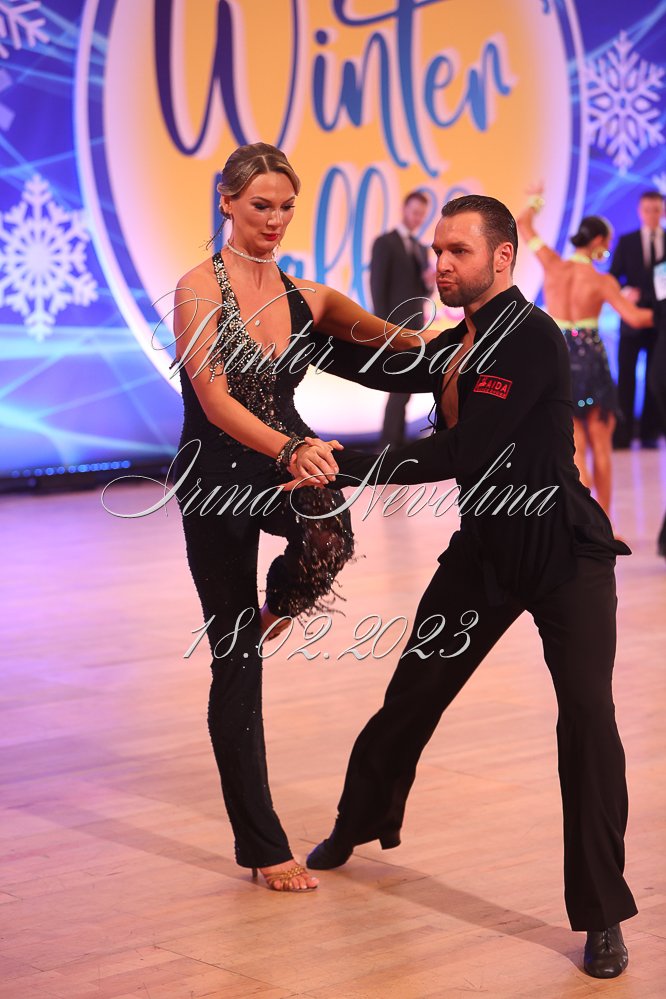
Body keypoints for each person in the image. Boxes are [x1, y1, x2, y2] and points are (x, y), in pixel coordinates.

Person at [304, 195, 637, 977]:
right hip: (485, 551)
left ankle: (602, 914)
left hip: (563, 553)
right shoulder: (463, 342)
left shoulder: (532, 340)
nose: (442, 264)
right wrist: (297, 328)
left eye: (458, 251)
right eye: (438, 251)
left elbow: (463, 453)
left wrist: (340, 464)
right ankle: (357, 820)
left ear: (502, 257)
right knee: (412, 694)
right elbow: (383, 363)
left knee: (588, 722)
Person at [172, 142, 429, 893]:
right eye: (261, 205)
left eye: (286, 206)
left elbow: (397, 341)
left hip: (289, 462)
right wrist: (290, 446)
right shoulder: (197, 289)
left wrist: (460, 334)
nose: (276, 219)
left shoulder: (307, 297)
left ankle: (269, 617)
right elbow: (214, 399)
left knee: (330, 527)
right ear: (227, 202)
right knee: (235, 665)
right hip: (216, 474)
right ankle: (261, 843)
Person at [517, 195, 653, 518]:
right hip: (592, 362)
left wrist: (536, 200)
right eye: (607, 242)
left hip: (559, 360)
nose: (608, 248)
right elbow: (634, 318)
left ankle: (580, 523)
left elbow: (523, 224)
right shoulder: (602, 281)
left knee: (575, 447)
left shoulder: (552, 263)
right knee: (601, 446)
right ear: (597, 242)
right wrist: (658, 312)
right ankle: (603, 526)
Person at [370, 190, 436, 448]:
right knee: (397, 385)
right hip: (393, 327)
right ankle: (389, 443)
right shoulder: (385, 243)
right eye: (415, 211)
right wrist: (382, 329)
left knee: (405, 385)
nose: (417, 218)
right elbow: (377, 287)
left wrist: (429, 284)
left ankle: (394, 441)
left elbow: (422, 293)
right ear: (404, 209)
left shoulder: (421, 248)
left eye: (422, 214)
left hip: (415, 328)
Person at [610, 190, 666, 449]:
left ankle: (649, 434)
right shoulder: (627, 241)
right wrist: (625, 292)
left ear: (662, 211)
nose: (652, 214)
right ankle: (622, 435)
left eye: (657, 209)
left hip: (660, 321)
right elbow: (613, 277)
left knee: (657, 377)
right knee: (626, 376)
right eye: (647, 210)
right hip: (630, 320)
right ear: (639, 211)